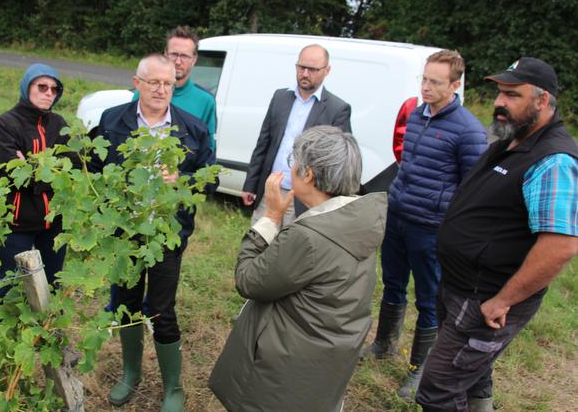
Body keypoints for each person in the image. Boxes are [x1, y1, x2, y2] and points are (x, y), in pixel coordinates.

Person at [415, 57, 578, 412]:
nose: (500, 102)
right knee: (468, 372)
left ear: (542, 100)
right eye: (500, 93)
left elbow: (561, 246)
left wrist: (504, 300)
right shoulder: (512, 140)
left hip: (485, 299)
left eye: (513, 95)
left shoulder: (553, 161)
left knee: (438, 390)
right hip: (460, 285)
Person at [209, 126, 387, 412]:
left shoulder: (309, 237)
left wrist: (270, 218)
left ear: (308, 175)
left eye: (293, 163)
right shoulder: (359, 217)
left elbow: (250, 280)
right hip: (326, 359)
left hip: (286, 367)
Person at [89, 53, 215, 412]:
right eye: (154, 82)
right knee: (125, 303)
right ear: (137, 83)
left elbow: (210, 178)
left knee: (161, 309)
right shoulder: (113, 121)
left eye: (168, 83)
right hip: (124, 233)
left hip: (165, 235)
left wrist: (183, 180)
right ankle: (131, 374)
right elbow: (97, 171)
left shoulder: (192, 129)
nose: (162, 89)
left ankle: (173, 387)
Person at [362, 50, 488, 399]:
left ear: (455, 85)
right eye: (424, 79)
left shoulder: (469, 131)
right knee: (392, 283)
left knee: (430, 300)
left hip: (431, 228)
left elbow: (471, 190)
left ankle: (421, 368)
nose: (427, 87)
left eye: (435, 82)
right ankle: (385, 343)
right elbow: (406, 163)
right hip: (399, 216)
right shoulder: (417, 116)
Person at [0, 63, 75, 310]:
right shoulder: (7, 123)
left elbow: (70, 169)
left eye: (54, 88)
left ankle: (46, 336)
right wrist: (49, 171)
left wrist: (28, 166)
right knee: (11, 285)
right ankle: (5, 339)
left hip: (53, 223)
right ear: (27, 87)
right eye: (42, 86)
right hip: (16, 222)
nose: (49, 92)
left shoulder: (60, 123)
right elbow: (12, 171)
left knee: (50, 286)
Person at [241, 43, 352, 226]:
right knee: (259, 243)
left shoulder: (337, 109)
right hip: (271, 192)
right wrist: (250, 184)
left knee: (291, 252)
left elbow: (338, 163)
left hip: (304, 200)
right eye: (302, 67)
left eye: (313, 69)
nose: (305, 74)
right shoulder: (280, 97)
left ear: (327, 70)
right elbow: (264, 143)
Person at [132, 25, 217, 149]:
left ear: (194, 59)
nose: (178, 61)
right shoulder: (142, 93)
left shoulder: (205, 101)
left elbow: (208, 151)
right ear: (165, 55)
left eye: (184, 56)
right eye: (174, 54)